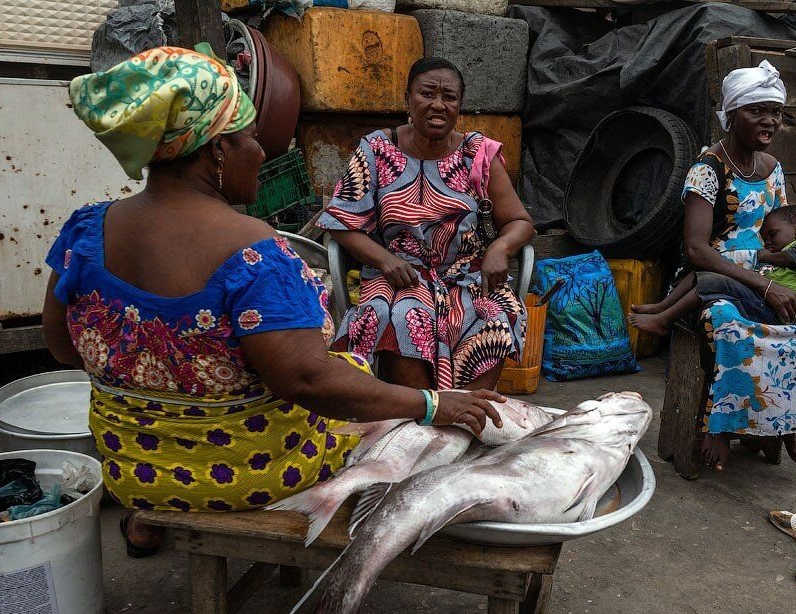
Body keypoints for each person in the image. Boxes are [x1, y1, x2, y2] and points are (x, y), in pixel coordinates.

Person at [43, 46, 504, 557]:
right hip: (247, 472)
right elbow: (306, 380)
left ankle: (148, 521)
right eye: (251, 139)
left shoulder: (84, 232)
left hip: (135, 471)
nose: (263, 153)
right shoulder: (252, 252)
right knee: (359, 384)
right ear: (217, 150)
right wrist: (433, 404)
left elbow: (64, 350)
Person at [647, 60, 796, 472]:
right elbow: (696, 249)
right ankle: (720, 426)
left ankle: (789, 421)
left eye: (775, 112)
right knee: (728, 322)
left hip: (768, 274)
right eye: (756, 111)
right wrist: (766, 288)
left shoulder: (773, 168)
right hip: (712, 277)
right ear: (731, 114)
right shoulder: (707, 171)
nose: (769, 121)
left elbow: (787, 232)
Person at [324, 57, 535, 391]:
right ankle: (419, 418)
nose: (438, 104)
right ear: (408, 98)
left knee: (495, 313)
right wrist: (385, 260)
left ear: (459, 106)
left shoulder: (477, 153)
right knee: (400, 318)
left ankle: (468, 419)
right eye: (427, 94)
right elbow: (340, 221)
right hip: (398, 276)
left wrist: (500, 247)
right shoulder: (377, 148)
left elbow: (520, 221)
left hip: (466, 276)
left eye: (449, 97)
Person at [629, 204, 796, 334]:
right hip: (762, 299)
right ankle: (662, 306)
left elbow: (792, 258)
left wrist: (764, 255)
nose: (768, 243)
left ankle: (664, 321)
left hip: (775, 311)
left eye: (773, 235)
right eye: (765, 240)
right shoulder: (789, 248)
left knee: (714, 282)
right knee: (700, 275)